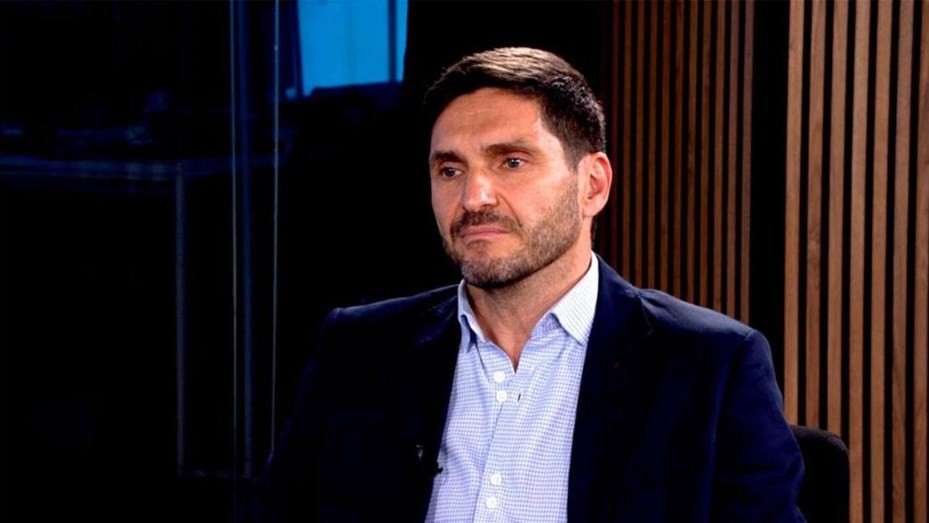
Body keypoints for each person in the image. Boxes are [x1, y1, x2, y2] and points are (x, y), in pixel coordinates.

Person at [246, 46, 805, 522]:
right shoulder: (359, 351)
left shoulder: (711, 366)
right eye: (450, 170)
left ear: (592, 185)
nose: (474, 197)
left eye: (511, 162)